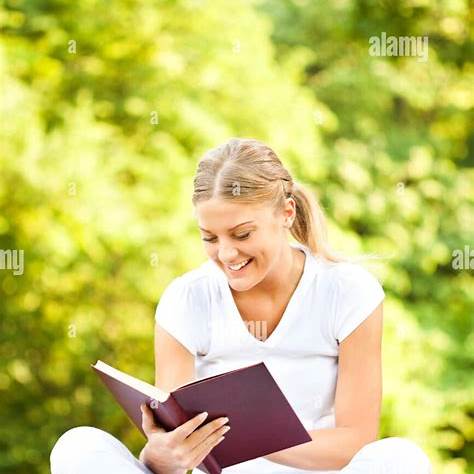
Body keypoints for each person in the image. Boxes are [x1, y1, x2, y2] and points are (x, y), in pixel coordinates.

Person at [50, 138, 432, 473]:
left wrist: (253, 438)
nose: (227, 254)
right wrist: (162, 456)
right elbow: (177, 448)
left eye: (242, 234)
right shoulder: (187, 299)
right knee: (77, 445)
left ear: (286, 213)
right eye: (210, 238)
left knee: (402, 458)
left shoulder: (348, 291)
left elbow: (354, 441)